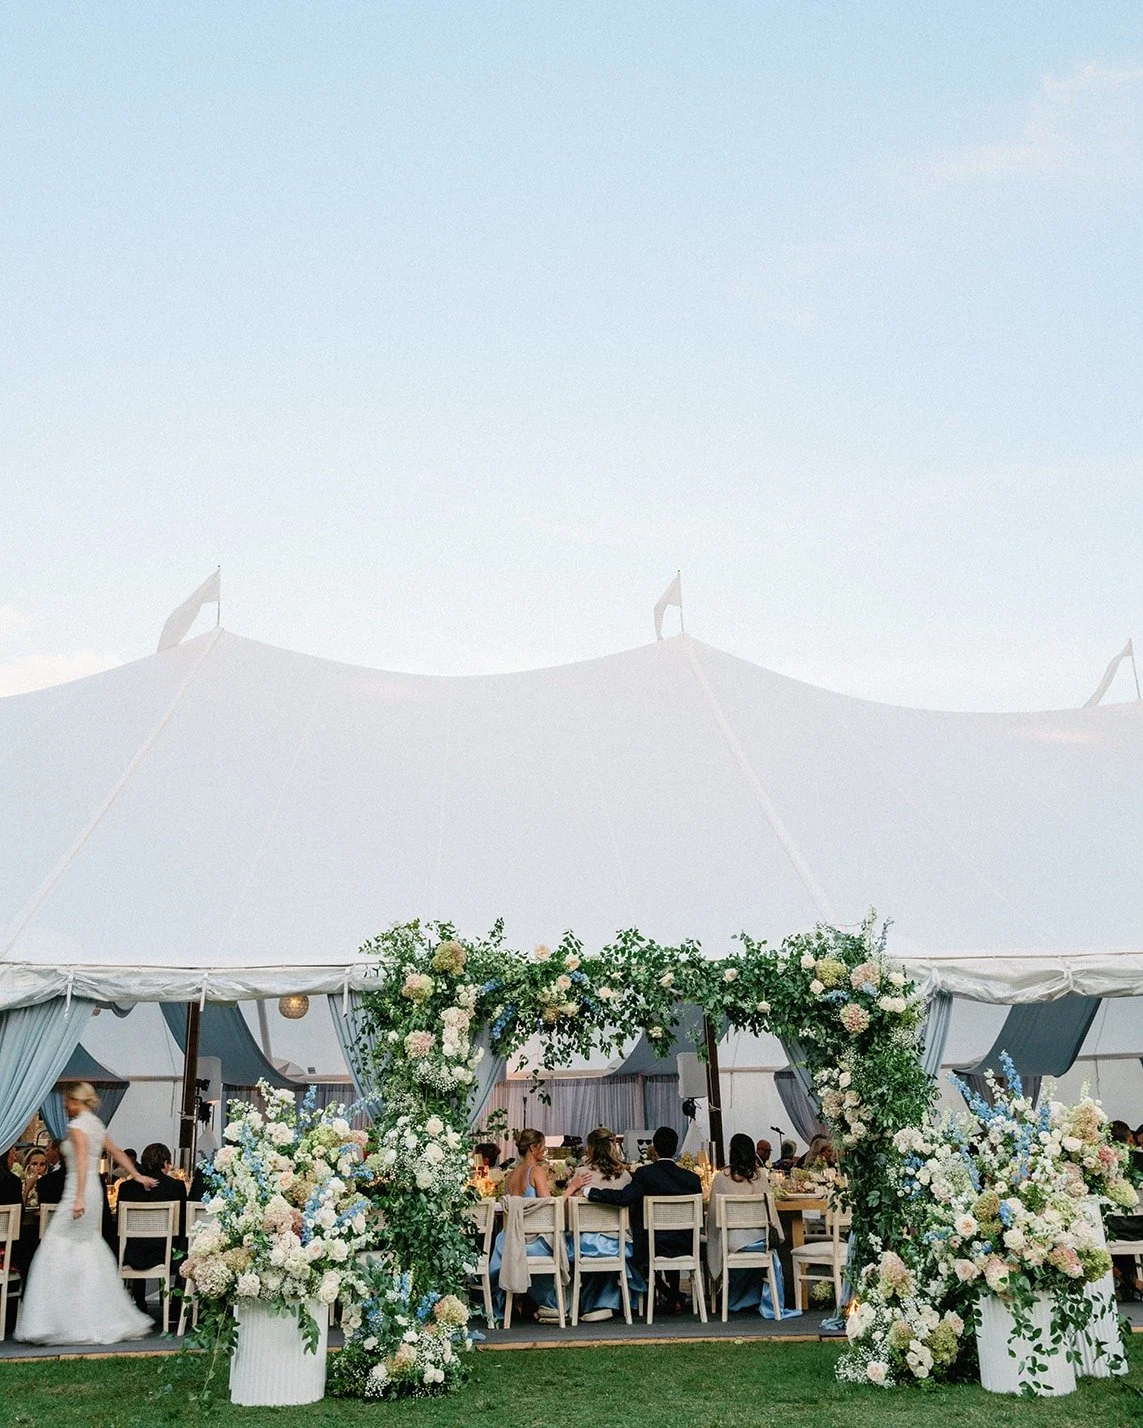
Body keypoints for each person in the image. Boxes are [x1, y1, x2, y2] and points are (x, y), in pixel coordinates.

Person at [16, 1082, 158, 1344]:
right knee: (85, 1248)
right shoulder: (95, 1123)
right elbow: (115, 1151)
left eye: (67, 1101)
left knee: (54, 1247)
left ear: (77, 1101)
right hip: (94, 1190)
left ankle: (60, 1319)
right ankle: (90, 1314)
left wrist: (79, 1197)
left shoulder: (78, 1126)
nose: (65, 1106)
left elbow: (81, 1161)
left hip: (79, 1189)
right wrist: (137, 1175)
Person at [569, 1125, 701, 1314]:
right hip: (686, 1243)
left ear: (654, 1148)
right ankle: (672, 1294)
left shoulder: (645, 1175)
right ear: (676, 1147)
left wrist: (589, 1191)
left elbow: (623, 1199)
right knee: (660, 1236)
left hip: (651, 1244)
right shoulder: (692, 1179)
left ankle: (665, 1293)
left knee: (643, 1237)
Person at [564, 1127, 646, 1322]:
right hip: (617, 1243)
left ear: (591, 1149)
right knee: (615, 1251)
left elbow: (568, 1210)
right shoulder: (624, 1176)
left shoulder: (582, 1174)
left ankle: (590, 1304)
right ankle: (606, 1303)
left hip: (585, 1242)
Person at [706, 1133, 792, 1318]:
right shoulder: (760, 1177)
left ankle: (731, 1298)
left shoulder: (721, 1178)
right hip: (760, 1241)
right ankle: (754, 1298)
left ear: (731, 1152)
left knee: (715, 1240)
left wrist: (712, 1235)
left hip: (733, 1242)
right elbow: (771, 1211)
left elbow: (713, 1217)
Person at [486, 1129, 558, 1321]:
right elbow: (547, 1207)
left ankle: (527, 1302)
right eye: (543, 1147)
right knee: (567, 1248)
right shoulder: (536, 1171)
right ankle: (554, 1304)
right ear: (533, 1148)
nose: (545, 1150)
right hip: (529, 1242)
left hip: (507, 1240)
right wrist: (571, 1189)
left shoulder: (511, 1175)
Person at [115, 1143, 189, 1313]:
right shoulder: (175, 1187)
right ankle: (176, 1304)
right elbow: (182, 1222)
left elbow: (119, 1221)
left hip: (133, 1253)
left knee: (138, 1239)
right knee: (184, 1243)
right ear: (165, 1164)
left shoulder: (126, 1188)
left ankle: (139, 1299)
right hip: (166, 1254)